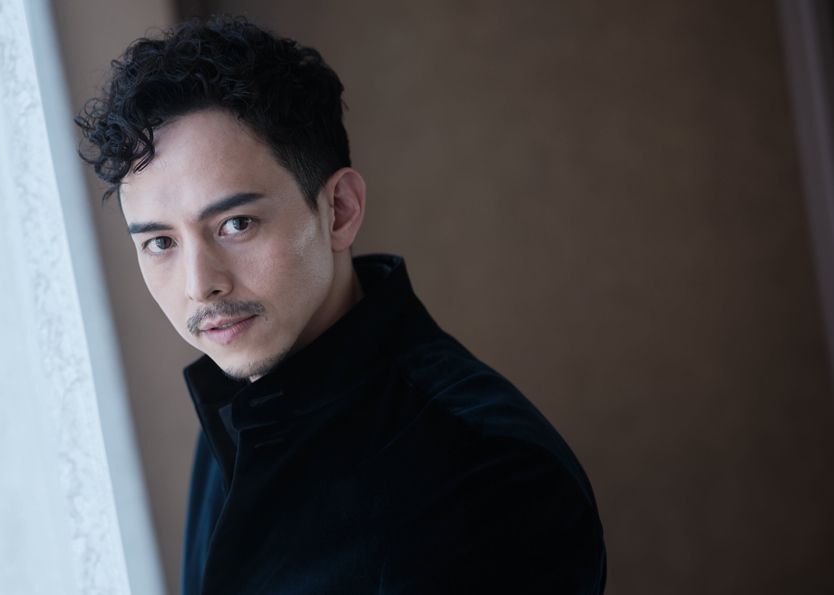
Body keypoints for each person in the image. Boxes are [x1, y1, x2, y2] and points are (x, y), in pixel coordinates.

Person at [75, 16, 607, 595]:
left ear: (341, 210)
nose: (200, 285)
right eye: (160, 243)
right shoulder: (236, 411)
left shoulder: (487, 473)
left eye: (236, 223)